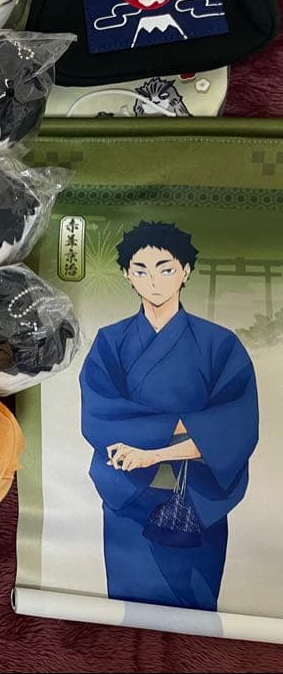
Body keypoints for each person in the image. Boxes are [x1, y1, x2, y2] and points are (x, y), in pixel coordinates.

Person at [80, 221, 259, 611]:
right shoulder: (111, 341)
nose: (153, 281)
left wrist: (154, 451)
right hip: (129, 496)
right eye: (140, 270)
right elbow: (99, 416)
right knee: (127, 608)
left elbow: (235, 427)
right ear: (127, 274)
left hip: (196, 500)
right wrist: (188, 423)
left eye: (165, 269)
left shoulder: (219, 343)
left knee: (197, 611)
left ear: (185, 272)